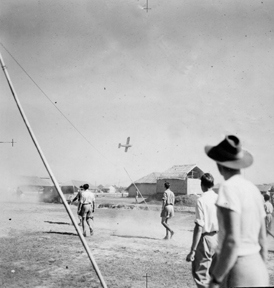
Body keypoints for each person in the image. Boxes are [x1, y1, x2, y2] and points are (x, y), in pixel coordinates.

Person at [204, 135, 269, 288]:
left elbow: (232, 240)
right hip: (258, 269)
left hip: (237, 269)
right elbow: (262, 240)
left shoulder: (228, 187)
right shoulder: (253, 190)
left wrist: (216, 279)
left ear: (220, 165)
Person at [186, 173, 218, 288]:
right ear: (213, 184)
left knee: (201, 276)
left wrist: (193, 250)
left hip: (207, 240)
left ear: (202, 185)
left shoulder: (201, 200)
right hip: (219, 238)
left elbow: (199, 226)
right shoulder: (219, 198)